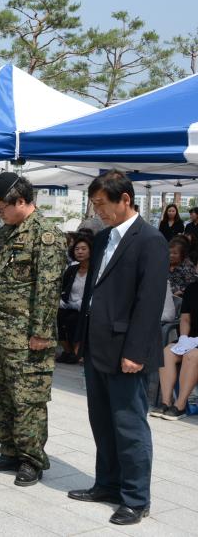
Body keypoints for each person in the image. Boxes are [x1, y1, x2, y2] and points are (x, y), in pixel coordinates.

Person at [68, 170, 167, 526]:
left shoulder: (150, 240)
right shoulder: (103, 237)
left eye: (101, 204)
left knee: (129, 426)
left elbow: (149, 301)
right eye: (94, 205)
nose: (98, 212)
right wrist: (81, 336)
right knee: (102, 422)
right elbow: (92, 294)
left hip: (127, 350)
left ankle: (136, 498)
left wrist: (136, 353)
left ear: (125, 199)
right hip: (97, 346)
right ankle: (107, 484)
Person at [0, 173, 65, 487]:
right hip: (1, 333)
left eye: (2, 207)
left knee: (28, 401)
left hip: (29, 338)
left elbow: (48, 288)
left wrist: (41, 333)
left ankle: (31, 460)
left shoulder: (46, 234)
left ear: (20, 201)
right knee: (0, 396)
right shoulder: (8, 232)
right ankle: (10, 450)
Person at [155, 280, 198, 420]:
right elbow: (185, 319)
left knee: (192, 355)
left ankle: (180, 405)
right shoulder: (192, 288)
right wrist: (183, 338)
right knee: (167, 352)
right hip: (191, 338)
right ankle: (166, 402)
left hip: (195, 347)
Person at [57, 234, 93, 364]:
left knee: (74, 320)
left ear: (90, 251)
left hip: (87, 308)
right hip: (69, 305)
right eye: (77, 249)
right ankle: (67, 351)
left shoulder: (95, 271)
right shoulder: (72, 269)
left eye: (83, 249)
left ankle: (77, 352)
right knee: (56, 316)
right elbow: (62, 288)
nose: (80, 252)